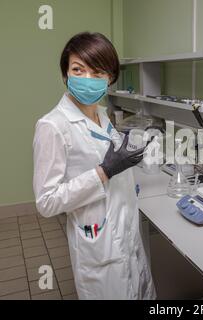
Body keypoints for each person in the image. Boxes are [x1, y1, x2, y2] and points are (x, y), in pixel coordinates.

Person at [33, 32, 156, 300]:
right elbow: (46, 202)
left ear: (110, 78)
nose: (87, 79)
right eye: (79, 69)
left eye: (98, 72)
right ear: (66, 74)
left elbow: (109, 154)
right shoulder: (53, 126)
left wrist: (134, 153)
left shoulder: (102, 114)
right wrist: (103, 172)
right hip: (99, 245)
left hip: (127, 232)